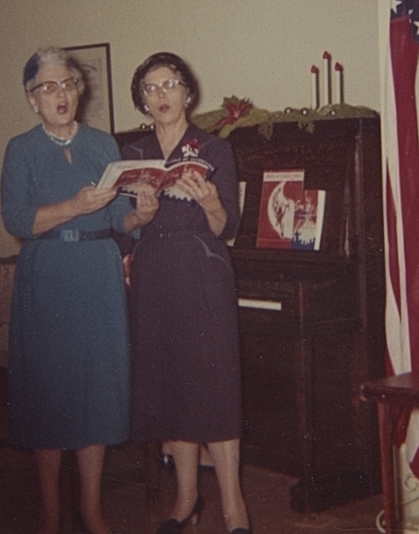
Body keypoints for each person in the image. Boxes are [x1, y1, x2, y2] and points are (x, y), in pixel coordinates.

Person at [0, 46, 150, 534]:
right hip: (48, 275)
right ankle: (50, 512)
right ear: (31, 98)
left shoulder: (104, 145)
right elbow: (18, 220)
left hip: (97, 273)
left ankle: (91, 508)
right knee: (50, 390)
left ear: (79, 90)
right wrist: (73, 205)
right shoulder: (20, 149)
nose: (60, 94)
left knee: (97, 390)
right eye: (48, 86)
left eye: (68, 84)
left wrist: (140, 215)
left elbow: (114, 219)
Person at [122, 52, 251, 534]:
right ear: (142, 99)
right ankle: (185, 500)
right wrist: (140, 215)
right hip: (154, 273)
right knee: (169, 386)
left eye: (169, 84)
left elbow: (226, 227)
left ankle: (235, 507)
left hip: (202, 272)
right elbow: (123, 229)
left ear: (187, 93)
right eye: (151, 88)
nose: (161, 95)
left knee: (214, 388)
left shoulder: (214, 148)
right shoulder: (132, 156)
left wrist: (212, 200)